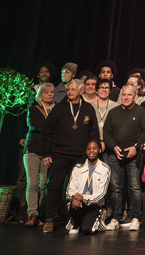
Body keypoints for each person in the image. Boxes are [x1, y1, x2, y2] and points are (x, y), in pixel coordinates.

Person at [40, 79, 98, 233]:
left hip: (80, 156)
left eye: (73, 89)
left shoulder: (88, 109)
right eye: (68, 89)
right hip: (60, 154)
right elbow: (47, 132)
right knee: (54, 187)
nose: (70, 91)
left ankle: (74, 218)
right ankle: (49, 219)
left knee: (77, 190)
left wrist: (92, 154)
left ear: (81, 91)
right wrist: (46, 153)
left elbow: (93, 134)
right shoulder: (59, 108)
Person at [102, 84, 145, 231]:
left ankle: (136, 217)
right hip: (115, 154)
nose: (126, 97)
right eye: (124, 95)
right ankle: (116, 218)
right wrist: (114, 147)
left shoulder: (141, 111)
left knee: (135, 187)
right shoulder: (113, 112)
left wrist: (136, 147)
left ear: (135, 96)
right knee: (116, 188)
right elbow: (106, 133)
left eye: (129, 95)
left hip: (133, 155)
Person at [64, 140, 110, 235]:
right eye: (88, 149)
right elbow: (70, 190)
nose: (91, 151)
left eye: (94, 148)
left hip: (94, 205)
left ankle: (98, 217)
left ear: (100, 150)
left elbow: (101, 193)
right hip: (79, 203)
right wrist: (75, 198)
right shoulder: (77, 167)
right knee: (72, 205)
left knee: (87, 230)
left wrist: (83, 198)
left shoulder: (105, 169)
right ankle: (76, 223)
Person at [24, 83, 54, 228]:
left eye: (52, 92)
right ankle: (32, 214)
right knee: (32, 184)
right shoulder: (33, 109)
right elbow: (34, 124)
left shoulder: (56, 109)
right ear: (40, 94)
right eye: (46, 92)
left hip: (48, 151)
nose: (50, 94)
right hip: (33, 150)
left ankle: (40, 213)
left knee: (43, 185)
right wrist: (51, 124)